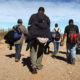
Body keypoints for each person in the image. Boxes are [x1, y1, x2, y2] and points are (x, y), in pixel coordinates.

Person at [27, 7, 51, 74]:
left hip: (34, 36)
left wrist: (30, 34)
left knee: (33, 50)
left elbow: (29, 26)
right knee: (40, 50)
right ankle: (39, 65)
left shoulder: (33, 16)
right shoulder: (47, 18)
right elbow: (48, 28)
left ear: (38, 11)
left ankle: (34, 67)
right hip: (43, 37)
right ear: (44, 11)